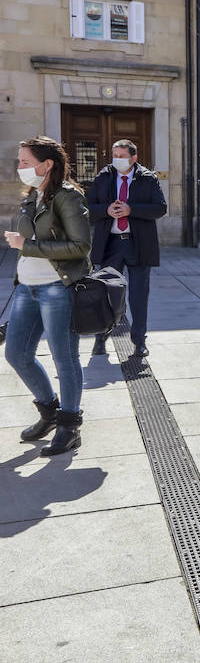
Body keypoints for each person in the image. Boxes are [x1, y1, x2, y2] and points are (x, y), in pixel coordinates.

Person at [5, 137, 92, 457]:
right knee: (16, 354)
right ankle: (50, 413)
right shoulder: (31, 196)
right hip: (28, 288)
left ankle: (70, 426)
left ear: (47, 164)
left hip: (58, 287)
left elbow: (81, 246)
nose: (20, 168)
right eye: (20, 162)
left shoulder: (68, 197)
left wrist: (24, 246)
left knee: (64, 358)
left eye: (25, 162)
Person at [86, 139, 166, 358]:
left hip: (138, 244)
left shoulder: (148, 179)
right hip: (110, 245)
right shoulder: (104, 177)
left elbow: (160, 208)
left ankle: (139, 341)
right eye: (115, 155)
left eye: (122, 156)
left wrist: (132, 209)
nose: (117, 160)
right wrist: (106, 210)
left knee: (139, 297)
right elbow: (87, 208)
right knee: (107, 294)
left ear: (134, 158)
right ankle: (100, 339)